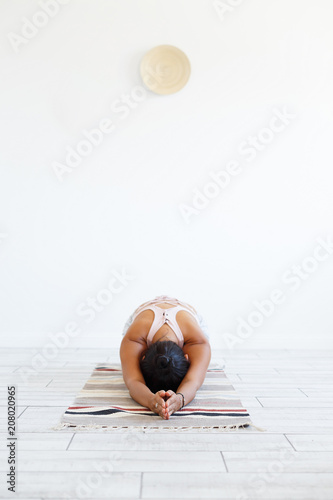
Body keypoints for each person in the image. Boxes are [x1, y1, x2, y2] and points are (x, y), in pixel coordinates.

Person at [120, 295, 211, 420]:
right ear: (187, 357)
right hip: (151, 314)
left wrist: (180, 399)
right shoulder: (134, 337)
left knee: (200, 361)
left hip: (178, 314)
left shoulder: (199, 340)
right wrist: (151, 400)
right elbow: (133, 382)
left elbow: (193, 382)